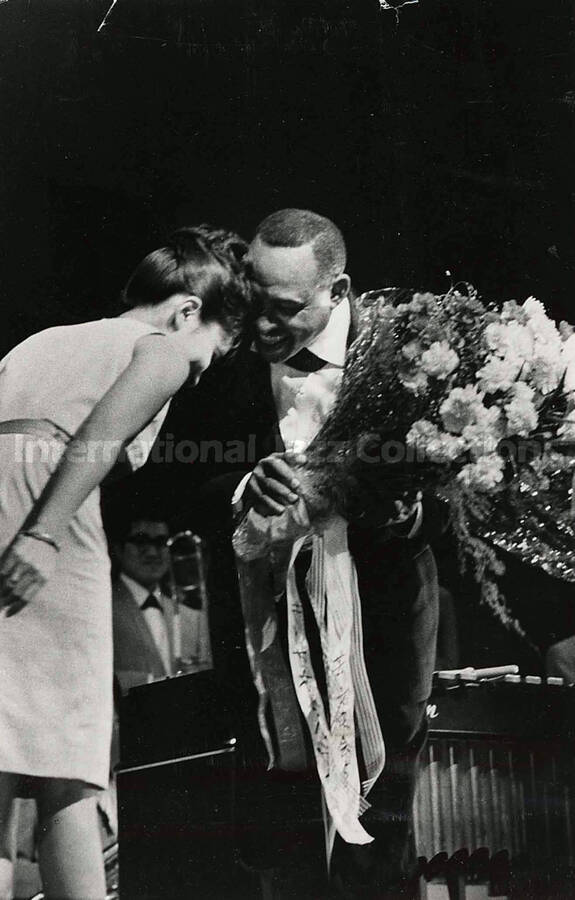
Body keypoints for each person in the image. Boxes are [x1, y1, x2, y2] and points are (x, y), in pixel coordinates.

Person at [156, 209, 440, 898]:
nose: (259, 326)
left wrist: (406, 517)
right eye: (253, 301)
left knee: (382, 833)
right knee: (278, 848)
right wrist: (240, 487)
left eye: (283, 310)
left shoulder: (410, 356)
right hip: (260, 648)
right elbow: (165, 477)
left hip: (382, 631)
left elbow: (461, 488)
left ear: (337, 291)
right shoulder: (217, 355)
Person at [0, 224, 252, 900]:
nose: (194, 378)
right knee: (69, 763)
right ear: (185, 312)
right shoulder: (161, 348)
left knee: (7, 747)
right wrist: (44, 533)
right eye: (207, 361)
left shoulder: (41, 341)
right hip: (47, 510)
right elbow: (101, 436)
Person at [111, 511, 212, 693]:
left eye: (160, 542)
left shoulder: (193, 617)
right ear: (118, 549)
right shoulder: (101, 611)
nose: (151, 552)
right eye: (140, 541)